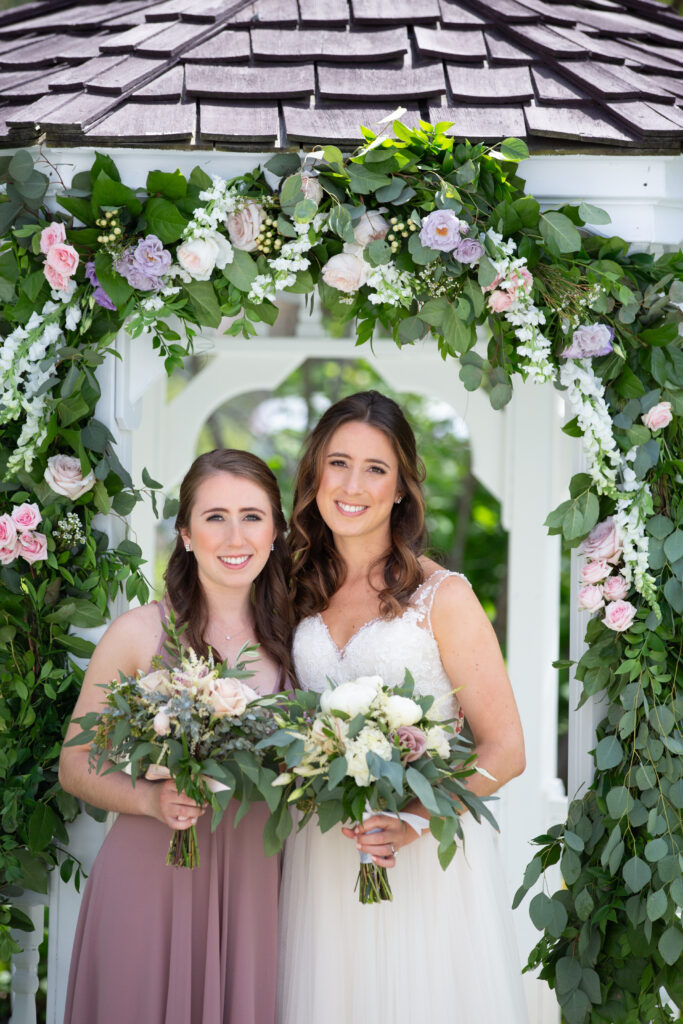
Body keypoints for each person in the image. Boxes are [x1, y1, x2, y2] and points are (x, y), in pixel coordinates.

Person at [277, 391, 529, 1024]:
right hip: (323, 852)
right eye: (337, 463)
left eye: (375, 468)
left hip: (421, 856)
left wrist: (414, 821)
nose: (352, 484)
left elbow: (507, 751)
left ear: (400, 490)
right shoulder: (292, 588)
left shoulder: (443, 596)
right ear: (314, 476)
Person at [60, 449, 292, 1024]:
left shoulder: (301, 640)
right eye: (214, 517)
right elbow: (75, 762)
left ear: (277, 530)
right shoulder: (139, 633)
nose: (235, 535)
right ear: (186, 534)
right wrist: (149, 799)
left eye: (252, 516)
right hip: (153, 876)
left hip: (258, 887)